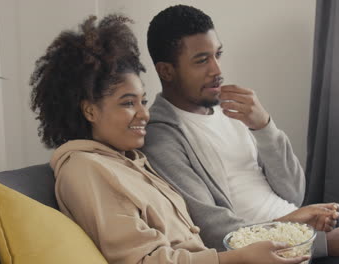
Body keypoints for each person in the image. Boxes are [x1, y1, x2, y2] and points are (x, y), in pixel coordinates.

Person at [30, 14, 313, 264]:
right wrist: (237, 257)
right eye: (128, 103)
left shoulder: (130, 162)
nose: (144, 114)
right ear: (90, 110)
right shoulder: (84, 169)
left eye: (142, 100)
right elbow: (144, 260)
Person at [141, 4, 339, 264]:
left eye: (217, 54)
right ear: (166, 70)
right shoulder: (162, 138)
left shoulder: (232, 108)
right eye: (201, 61)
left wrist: (264, 127)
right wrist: (322, 244)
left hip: (302, 226)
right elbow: (215, 232)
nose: (217, 70)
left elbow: (295, 192)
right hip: (276, 251)